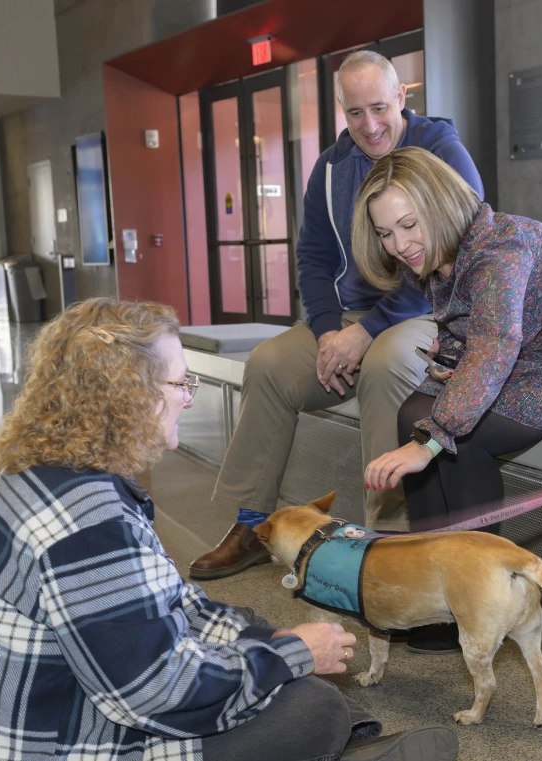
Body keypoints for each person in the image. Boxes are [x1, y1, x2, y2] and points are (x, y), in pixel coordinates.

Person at [0, 298, 458, 761]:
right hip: (53, 741)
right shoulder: (88, 526)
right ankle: (346, 743)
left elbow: (169, 607)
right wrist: (292, 654)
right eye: (181, 381)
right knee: (308, 708)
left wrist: (269, 640)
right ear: (130, 394)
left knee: (267, 649)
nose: (189, 397)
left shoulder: (44, 475)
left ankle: (347, 742)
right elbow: (153, 692)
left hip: (50, 709)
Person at [190, 51, 484, 580]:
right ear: (341, 111)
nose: (369, 125)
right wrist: (329, 332)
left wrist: (366, 333)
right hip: (351, 315)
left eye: (378, 107)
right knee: (269, 365)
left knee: (386, 362)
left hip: (430, 308)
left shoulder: (442, 151)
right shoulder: (330, 168)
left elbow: (454, 248)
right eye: (354, 113)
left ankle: (387, 539)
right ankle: (252, 524)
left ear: (401, 97)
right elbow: (314, 260)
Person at [354, 147, 542, 653]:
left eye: (408, 225)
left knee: (457, 440)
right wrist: (427, 425)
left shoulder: (500, 248)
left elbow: (494, 343)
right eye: (385, 233)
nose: (399, 245)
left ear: (441, 205)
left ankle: (478, 599)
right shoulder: (445, 253)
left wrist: (432, 440)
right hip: (531, 361)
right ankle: (436, 598)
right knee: (412, 414)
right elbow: (472, 346)